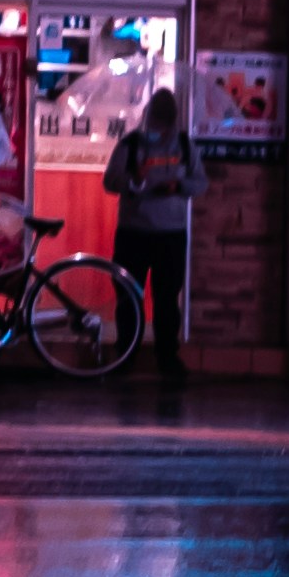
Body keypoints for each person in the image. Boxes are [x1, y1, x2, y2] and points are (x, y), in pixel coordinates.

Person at [107, 80, 201, 377]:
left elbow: (200, 182)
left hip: (170, 234)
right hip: (133, 232)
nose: (158, 125)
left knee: (166, 300)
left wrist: (178, 185)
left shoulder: (185, 145)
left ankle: (167, 361)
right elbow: (110, 181)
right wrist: (134, 180)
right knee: (127, 297)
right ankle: (125, 357)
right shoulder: (131, 144)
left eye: (163, 119)